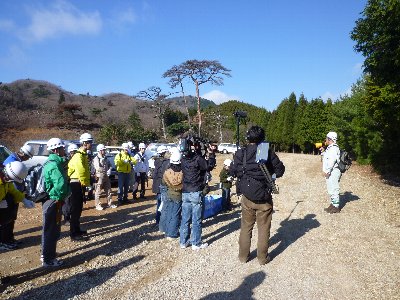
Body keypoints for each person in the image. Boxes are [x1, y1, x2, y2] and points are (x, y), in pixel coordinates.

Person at [231, 126, 285, 265]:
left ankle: (243, 257)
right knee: (263, 229)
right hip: (264, 197)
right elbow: (280, 170)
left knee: (246, 227)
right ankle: (262, 258)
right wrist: (270, 176)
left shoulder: (241, 153)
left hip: (247, 196)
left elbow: (234, 171)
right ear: (262, 138)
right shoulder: (265, 151)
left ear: (248, 138)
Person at [41, 138, 70, 267]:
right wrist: (64, 195)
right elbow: (61, 185)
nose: (64, 150)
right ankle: (48, 259)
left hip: (52, 200)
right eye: (63, 148)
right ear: (56, 150)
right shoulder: (54, 165)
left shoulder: (54, 162)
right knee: (51, 230)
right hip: (54, 200)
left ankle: (47, 254)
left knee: (51, 229)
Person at [1, 145, 33, 249]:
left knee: (7, 220)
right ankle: (3, 242)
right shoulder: (6, 175)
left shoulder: (6, 179)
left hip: (4, 201)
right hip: (3, 201)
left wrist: (23, 199)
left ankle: (6, 240)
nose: (10, 181)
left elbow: (13, 190)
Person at [180, 139, 209, 250]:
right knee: (196, 219)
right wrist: (208, 153)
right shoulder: (197, 158)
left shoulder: (183, 159)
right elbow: (206, 166)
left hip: (185, 191)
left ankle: (183, 242)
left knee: (185, 218)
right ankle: (196, 243)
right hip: (195, 191)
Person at [67, 133, 93, 241]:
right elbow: (81, 172)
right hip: (75, 184)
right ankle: (73, 234)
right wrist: (86, 185)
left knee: (78, 209)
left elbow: (85, 171)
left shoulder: (82, 155)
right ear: (84, 143)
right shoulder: (78, 156)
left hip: (79, 184)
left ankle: (77, 230)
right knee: (75, 209)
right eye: (90, 142)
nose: (91, 144)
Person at [162, 150, 183, 239]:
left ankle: (167, 231)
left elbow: (164, 182)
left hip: (169, 193)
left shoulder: (167, 172)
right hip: (178, 195)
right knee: (175, 214)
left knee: (169, 213)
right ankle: (172, 233)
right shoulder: (182, 172)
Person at [322, 131, 341, 214]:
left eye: (326, 138)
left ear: (329, 139)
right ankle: (333, 204)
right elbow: (327, 158)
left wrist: (327, 171)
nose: (325, 139)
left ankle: (336, 207)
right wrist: (323, 151)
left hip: (333, 171)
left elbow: (332, 161)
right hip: (331, 171)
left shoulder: (333, 148)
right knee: (331, 188)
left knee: (334, 188)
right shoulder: (330, 147)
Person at [151, 145, 170, 228]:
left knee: (159, 203)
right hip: (163, 185)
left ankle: (158, 220)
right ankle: (162, 222)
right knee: (164, 204)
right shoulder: (166, 162)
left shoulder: (157, 161)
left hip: (157, 185)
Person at [92, 144, 115, 210]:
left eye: (104, 150)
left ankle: (110, 203)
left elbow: (110, 165)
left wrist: (109, 170)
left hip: (106, 176)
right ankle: (97, 205)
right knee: (98, 192)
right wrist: (104, 169)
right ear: (99, 151)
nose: (104, 151)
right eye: (103, 150)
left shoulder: (105, 158)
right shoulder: (96, 159)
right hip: (99, 177)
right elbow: (98, 168)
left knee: (108, 190)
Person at [62, 143, 78, 225]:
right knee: (67, 202)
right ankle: (66, 218)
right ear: (70, 152)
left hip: (73, 182)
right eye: (73, 152)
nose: (74, 154)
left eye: (75, 152)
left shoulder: (76, 160)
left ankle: (71, 217)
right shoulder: (66, 161)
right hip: (67, 183)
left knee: (72, 201)